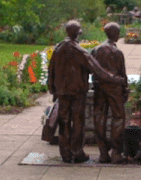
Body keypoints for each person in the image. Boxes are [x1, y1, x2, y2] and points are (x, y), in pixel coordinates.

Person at [47, 20, 125, 163]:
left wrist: (53, 89)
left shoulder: (58, 48)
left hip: (62, 92)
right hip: (77, 92)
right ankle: (77, 152)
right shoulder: (79, 51)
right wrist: (115, 79)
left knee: (64, 121)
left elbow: (51, 70)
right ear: (77, 33)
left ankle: (65, 153)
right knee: (77, 121)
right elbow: (97, 70)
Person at [91, 22, 129, 163]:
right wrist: (125, 89)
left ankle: (103, 152)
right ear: (115, 34)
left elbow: (93, 69)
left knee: (99, 117)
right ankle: (116, 152)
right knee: (118, 117)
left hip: (99, 87)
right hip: (114, 88)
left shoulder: (95, 50)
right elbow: (122, 74)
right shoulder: (117, 53)